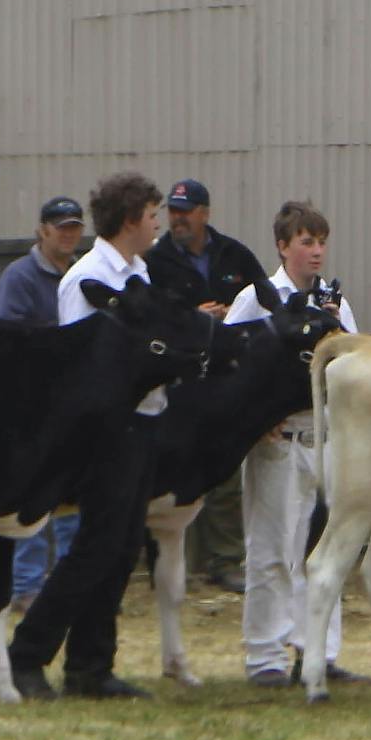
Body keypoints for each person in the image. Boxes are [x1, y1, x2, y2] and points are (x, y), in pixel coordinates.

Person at [7, 171, 166, 701]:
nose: (156, 224)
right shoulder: (88, 278)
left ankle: (91, 665)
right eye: (150, 216)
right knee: (95, 547)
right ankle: (27, 654)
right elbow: (86, 361)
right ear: (128, 221)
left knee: (121, 550)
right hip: (107, 430)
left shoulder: (140, 271)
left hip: (142, 421)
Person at [227, 200, 371, 687]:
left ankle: (319, 652)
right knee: (272, 551)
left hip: (325, 438)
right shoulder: (258, 299)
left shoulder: (335, 301)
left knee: (325, 550)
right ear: (283, 246)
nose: (316, 251)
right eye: (306, 242)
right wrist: (251, 419)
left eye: (321, 242)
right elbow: (233, 362)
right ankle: (265, 657)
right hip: (280, 439)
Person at [145, 178, 265, 594]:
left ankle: (227, 559)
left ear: (204, 213)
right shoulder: (155, 261)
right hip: (180, 381)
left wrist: (235, 315)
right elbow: (149, 317)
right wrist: (194, 317)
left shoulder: (234, 255)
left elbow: (266, 303)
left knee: (225, 471)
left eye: (185, 210)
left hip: (227, 378)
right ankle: (181, 561)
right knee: (178, 469)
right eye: (172, 211)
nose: (177, 218)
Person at [0, 195, 86, 613]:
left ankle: (67, 581)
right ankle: (27, 586)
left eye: (74, 228)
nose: (68, 235)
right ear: (42, 230)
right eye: (61, 227)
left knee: (69, 496)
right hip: (32, 404)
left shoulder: (81, 274)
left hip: (72, 404)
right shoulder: (20, 277)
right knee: (33, 496)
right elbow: (9, 339)